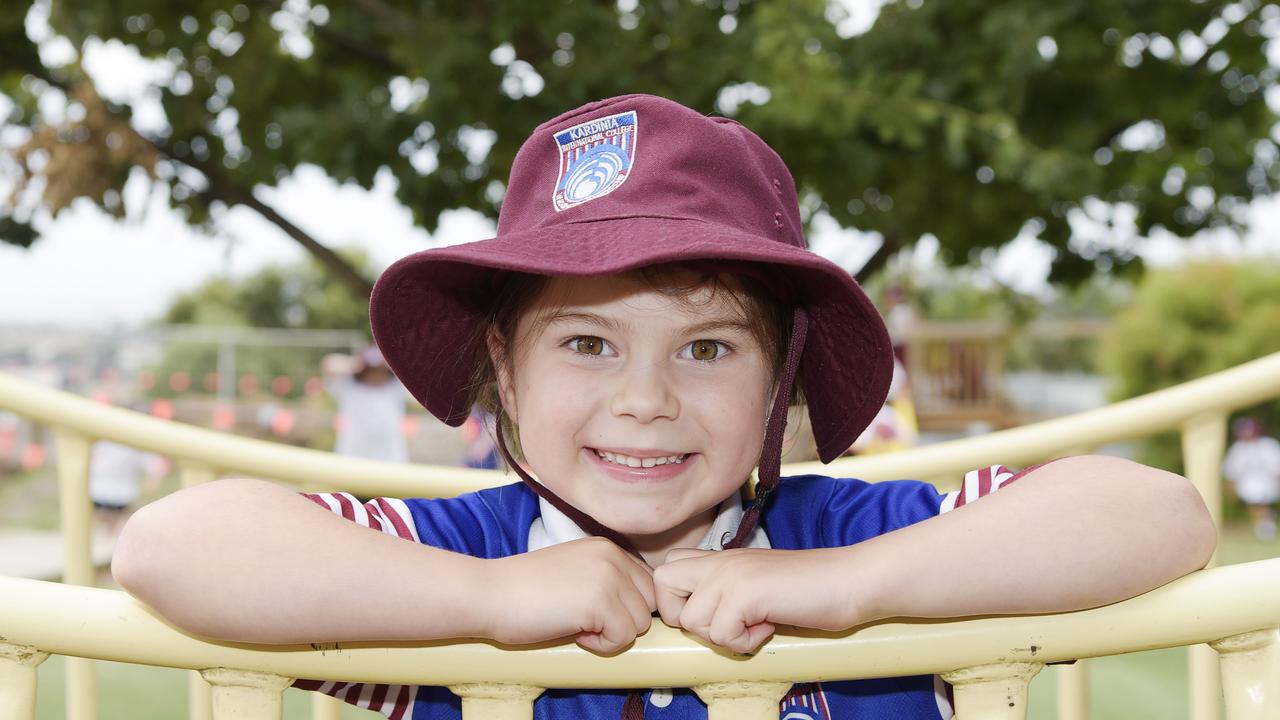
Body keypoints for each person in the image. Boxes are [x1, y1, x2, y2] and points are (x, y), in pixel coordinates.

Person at [112, 95, 1216, 720]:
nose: (644, 401)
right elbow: (172, 545)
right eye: (587, 343)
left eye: (705, 349)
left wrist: (843, 590)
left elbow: (1159, 516)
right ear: (501, 365)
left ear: (780, 379)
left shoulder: (851, 535)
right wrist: (486, 606)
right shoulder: (458, 566)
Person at [322, 347, 409, 463]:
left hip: (391, 459)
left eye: (379, 369)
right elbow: (329, 364)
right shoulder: (349, 387)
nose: (376, 374)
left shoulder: (395, 387)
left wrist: (390, 361)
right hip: (353, 457)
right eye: (372, 369)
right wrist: (356, 363)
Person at [1222, 417, 1280, 540]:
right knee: (1256, 505)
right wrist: (1231, 486)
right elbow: (1232, 470)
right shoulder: (1238, 448)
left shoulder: (1268, 445)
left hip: (1267, 482)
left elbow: (1276, 465)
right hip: (1248, 483)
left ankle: (1265, 528)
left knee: (1260, 504)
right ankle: (1263, 528)